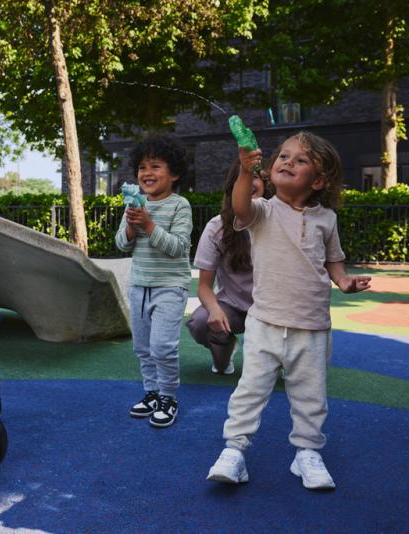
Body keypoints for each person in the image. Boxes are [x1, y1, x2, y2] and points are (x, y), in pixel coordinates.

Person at [206, 131, 371, 489]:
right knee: (250, 390)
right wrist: (245, 170)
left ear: (319, 180)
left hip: (312, 327)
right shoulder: (263, 211)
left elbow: (334, 261)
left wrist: (344, 282)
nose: (288, 162)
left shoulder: (327, 219)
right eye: (283, 156)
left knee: (311, 395)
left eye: (301, 160)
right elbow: (240, 206)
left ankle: (307, 453)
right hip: (265, 322)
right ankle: (235, 450)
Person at [115, 134, 192, 428]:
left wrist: (148, 224)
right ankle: (152, 393)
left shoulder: (180, 205)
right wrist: (131, 227)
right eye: (142, 167)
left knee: (162, 347)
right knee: (143, 347)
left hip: (170, 287)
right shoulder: (134, 205)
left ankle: (168, 397)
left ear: (174, 174)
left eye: (156, 166)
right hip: (139, 285)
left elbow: (178, 247)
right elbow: (121, 244)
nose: (147, 173)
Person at [186, 160, 266, 375]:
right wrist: (214, 310)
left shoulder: (276, 220)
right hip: (234, 309)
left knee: (279, 370)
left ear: (266, 184)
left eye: (254, 177)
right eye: (242, 178)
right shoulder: (217, 227)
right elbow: (204, 286)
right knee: (200, 322)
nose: (249, 183)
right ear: (232, 188)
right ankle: (225, 350)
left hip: (272, 309)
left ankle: (283, 356)